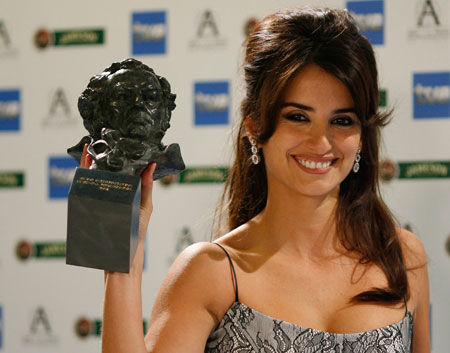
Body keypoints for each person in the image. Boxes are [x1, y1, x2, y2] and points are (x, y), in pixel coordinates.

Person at [80, 6, 430, 353]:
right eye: (297, 117)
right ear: (254, 126)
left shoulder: (401, 256)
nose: (321, 143)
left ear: (362, 134)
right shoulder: (209, 273)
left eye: (342, 121)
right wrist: (122, 254)